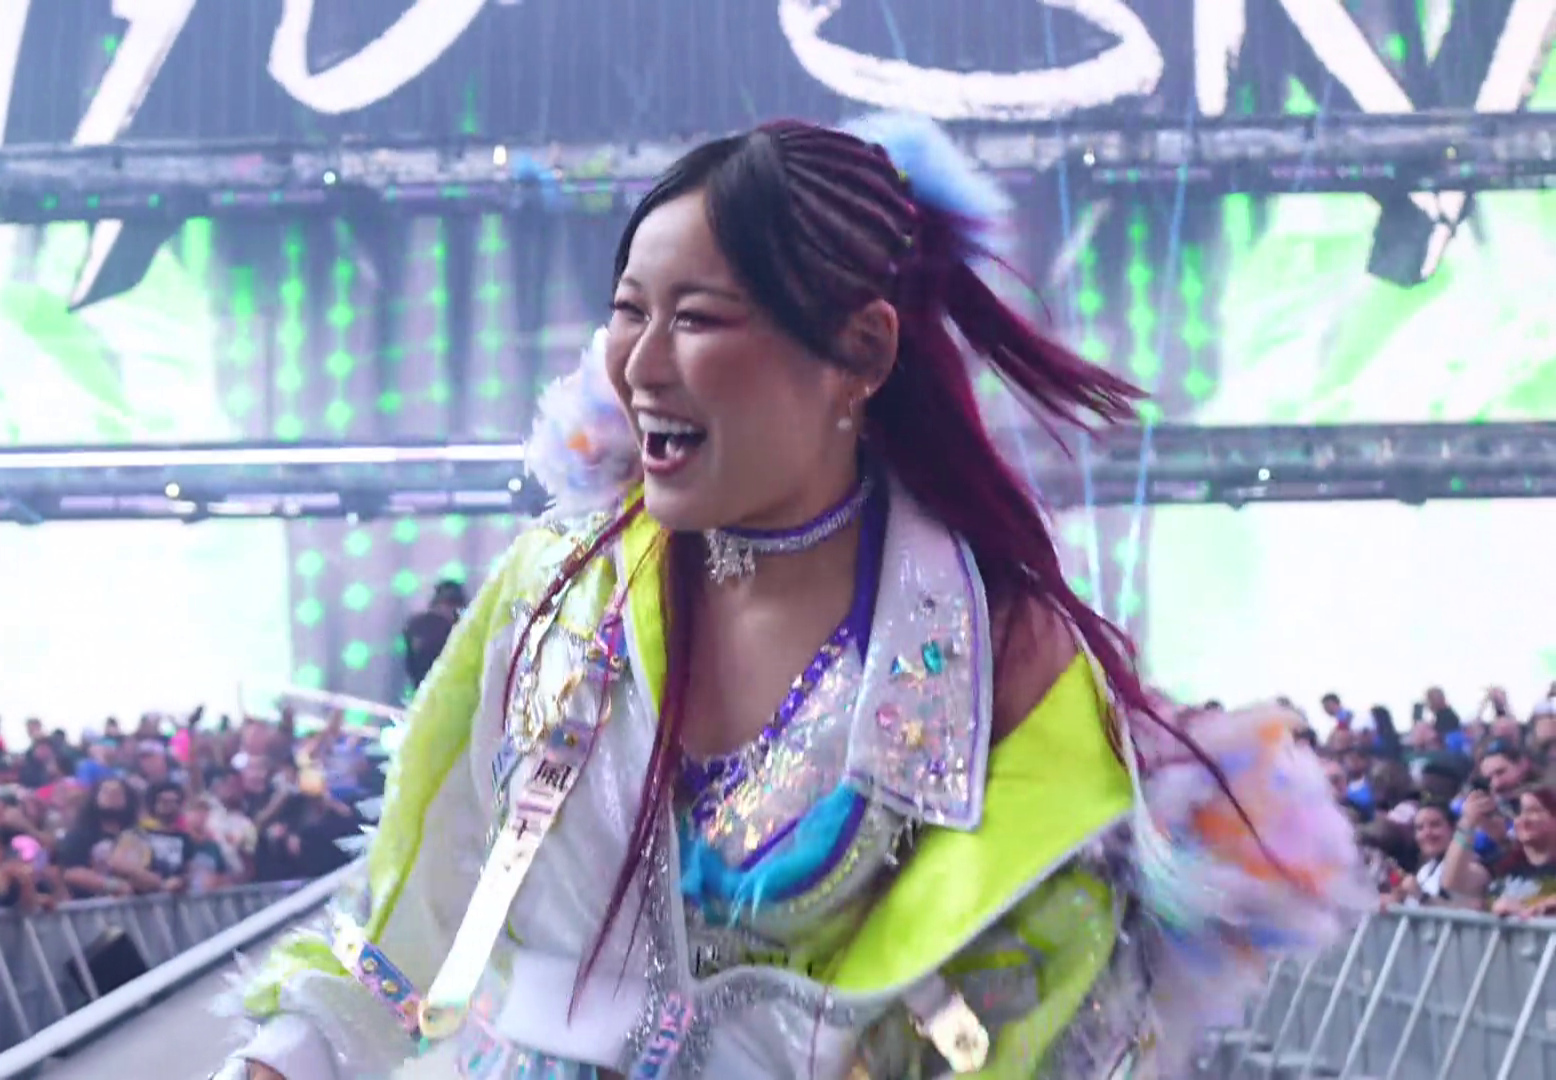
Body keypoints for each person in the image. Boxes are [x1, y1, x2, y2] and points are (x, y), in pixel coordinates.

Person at [228, 113, 1367, 1079]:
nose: (639, 364)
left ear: (862, 353)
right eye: (629, 310)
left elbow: (1023, 1035)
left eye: (697, 318)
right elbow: (407, 919)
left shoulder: (1006, 659)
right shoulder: (555, 586)